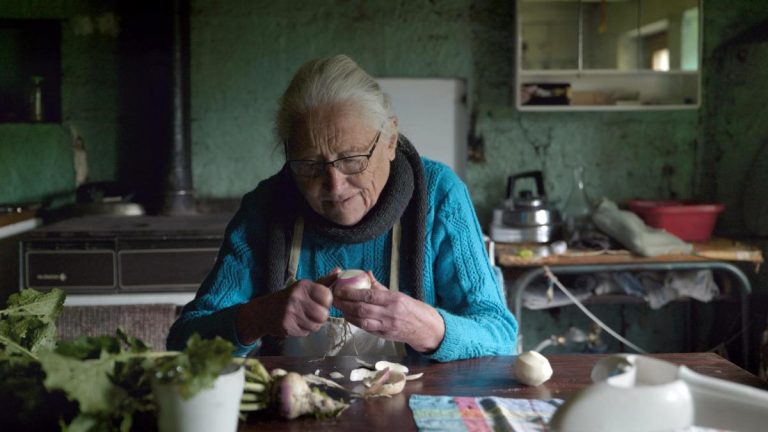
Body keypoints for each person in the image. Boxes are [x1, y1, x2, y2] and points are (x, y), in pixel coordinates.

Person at [167, 55, 518, 361]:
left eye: (352, 160)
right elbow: (182, 343)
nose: (334, 185)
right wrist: (257, 317)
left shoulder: (439, 196)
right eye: (309, 165)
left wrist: (428, 328)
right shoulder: (266, 208)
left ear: (391, 140)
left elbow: (499, 335)